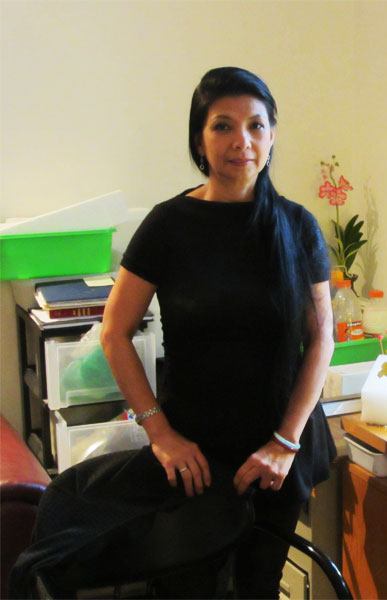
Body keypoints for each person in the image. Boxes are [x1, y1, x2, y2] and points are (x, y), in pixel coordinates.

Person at [101, 66, 336, 598]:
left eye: (256, 126)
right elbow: (114, 332)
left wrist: (285, 441)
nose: (241, 142)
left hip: (279, 447)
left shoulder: (297, 226)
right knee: (186, 587)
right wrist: (160, 434)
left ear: (272, 136)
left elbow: (321, 339)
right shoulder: (168, 225)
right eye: (223, 126)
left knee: (258, 587)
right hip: (195, 455)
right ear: (199, 140)